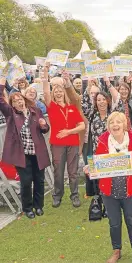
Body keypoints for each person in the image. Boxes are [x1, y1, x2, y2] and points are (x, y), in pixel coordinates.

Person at [92, 112, 132, 263]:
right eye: (111, 123)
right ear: (108, 126)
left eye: (118, 122)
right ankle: (117, 251)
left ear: (124, 124)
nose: (115, 125)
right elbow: (98, 165)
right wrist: (91, 169)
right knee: (114, 223)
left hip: (131, 188)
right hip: (109, 190)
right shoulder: (103, 141)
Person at [0, 77, 51, 219]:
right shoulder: (11, 114)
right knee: (26, 182)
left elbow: (45, 129)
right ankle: (27, 208)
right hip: (22, 155)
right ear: (12, 105)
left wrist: (43, 125)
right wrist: (2, 83)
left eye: (20, 99)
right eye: (15, 101)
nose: (18, 102)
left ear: (24, 99)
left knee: (39, 180)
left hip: (37, 153)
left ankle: (38, 206)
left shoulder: (35, 111)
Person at [42, 64, 85, 208]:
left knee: (73, 172)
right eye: (56, 91)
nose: (59, 93)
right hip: (57, 144)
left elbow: (82, 125)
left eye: (61, 91)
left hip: (72, 142)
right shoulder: (51, 106)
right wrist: (46, 72)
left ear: (64, 93)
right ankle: (57, 195)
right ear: (53, 94)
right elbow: (45, 91)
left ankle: (74, 195)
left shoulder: (72, 107)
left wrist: (69, 132)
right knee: (58, 171)